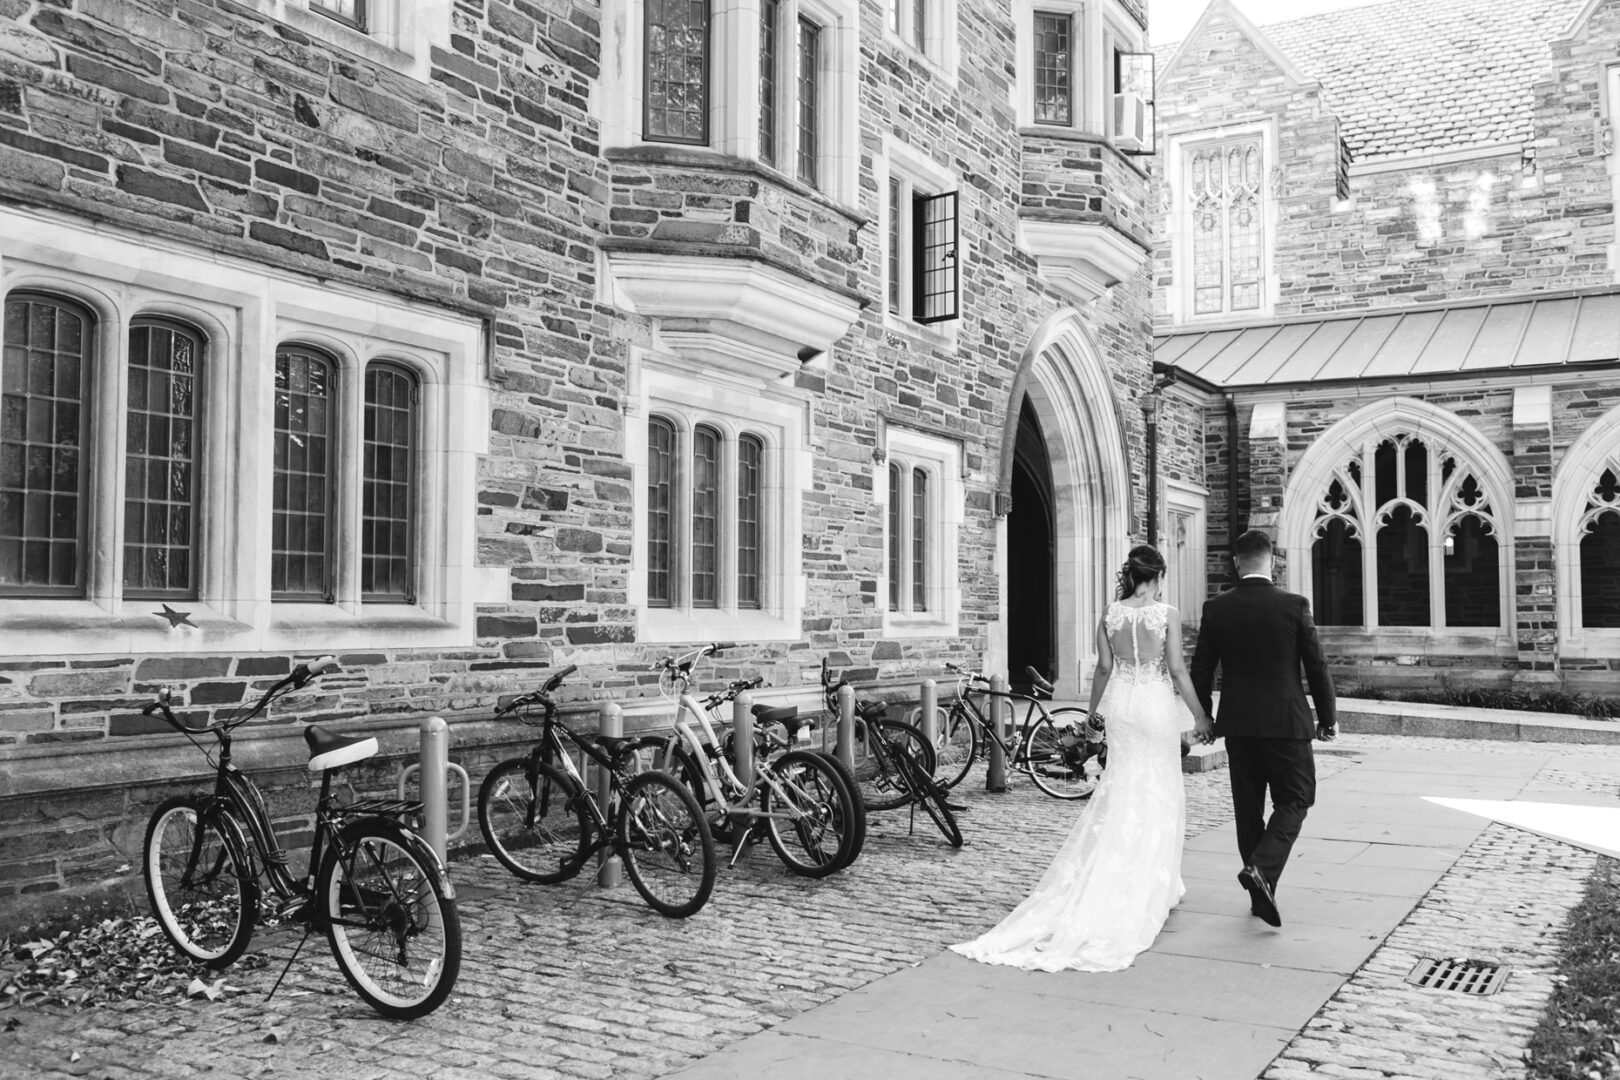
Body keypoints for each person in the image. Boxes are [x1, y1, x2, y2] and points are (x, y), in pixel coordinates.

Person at [950, 544, 1215, 972]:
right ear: (1158, 576)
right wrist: (1200, 714)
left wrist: (1094, 718)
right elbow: (1177, 671)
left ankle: (1135, 875)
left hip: (1124, 709)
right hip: (1155, 707)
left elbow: (1105, 670)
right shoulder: (1165, 614)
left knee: (1123, 785)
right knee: (1159, 789)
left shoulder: (1111, 615)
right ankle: (1155, 883)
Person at [1189, 529, 1337, 929]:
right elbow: (1316, 666)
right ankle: (1262, 870)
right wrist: (1327, 718)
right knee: (1297, 798)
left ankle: (1260, 891)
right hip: (1286, 724)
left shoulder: (1217, 607)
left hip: (1238, 724)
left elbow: (1200, 669)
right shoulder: (1293, 605)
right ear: (1272, 561)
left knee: (1248, 810)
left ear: (1237, 562)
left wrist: (1204, 717)